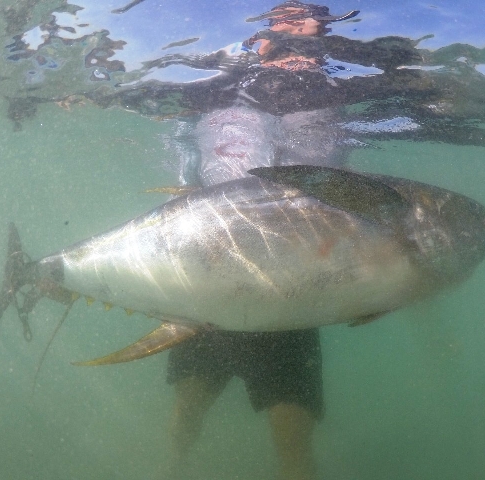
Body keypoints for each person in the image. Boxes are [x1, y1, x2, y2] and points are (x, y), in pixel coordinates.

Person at [165, 3, 358, 479]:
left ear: (325, 30)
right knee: (183, 419)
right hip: (215, 279)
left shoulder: (334, 91)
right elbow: (187, 197)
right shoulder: (225, 85)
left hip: (290, 292)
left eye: (304, 14)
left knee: (292, 444)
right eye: (281, 15)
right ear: (261, 33)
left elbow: (342, 199)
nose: (290, 23)